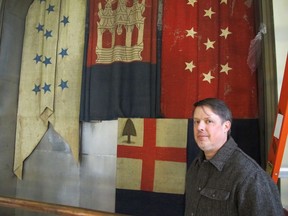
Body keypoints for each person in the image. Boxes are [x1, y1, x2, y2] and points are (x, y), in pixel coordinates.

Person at [185, 98, 284, 216]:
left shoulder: (251, 176)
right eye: (196, 121)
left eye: (208, 121)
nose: (199, 127)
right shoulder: (195, 167)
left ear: (226, 126)